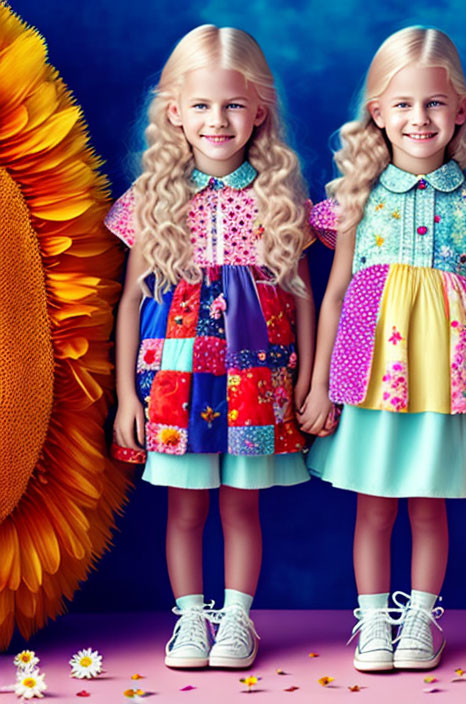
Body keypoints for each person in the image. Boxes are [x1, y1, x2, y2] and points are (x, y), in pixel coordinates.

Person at [302, 26, 466, 672]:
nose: (419, 119)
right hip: (370, 377)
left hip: (445, 382)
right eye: (402, 104)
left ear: (460, 111)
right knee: (373, 509)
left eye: (434, 104)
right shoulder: (354, 203)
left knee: (429, 509)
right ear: (376, 112)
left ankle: (421, 621)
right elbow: (336, 293)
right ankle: (373, 624)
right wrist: (319, 385)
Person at [107, 24, 315, 669]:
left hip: (257, 380)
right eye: (201, 105)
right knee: (185, 506)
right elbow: (130, 303)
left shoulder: (280, 197)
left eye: (232, 105)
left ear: (258, 112)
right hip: (173, 380)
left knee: (241, 505)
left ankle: (235, 621)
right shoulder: (152, 200)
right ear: (175, 112)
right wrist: (124, 399)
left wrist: (309, 381)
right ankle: (190, 620)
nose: (217, 120)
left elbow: (304, 297)